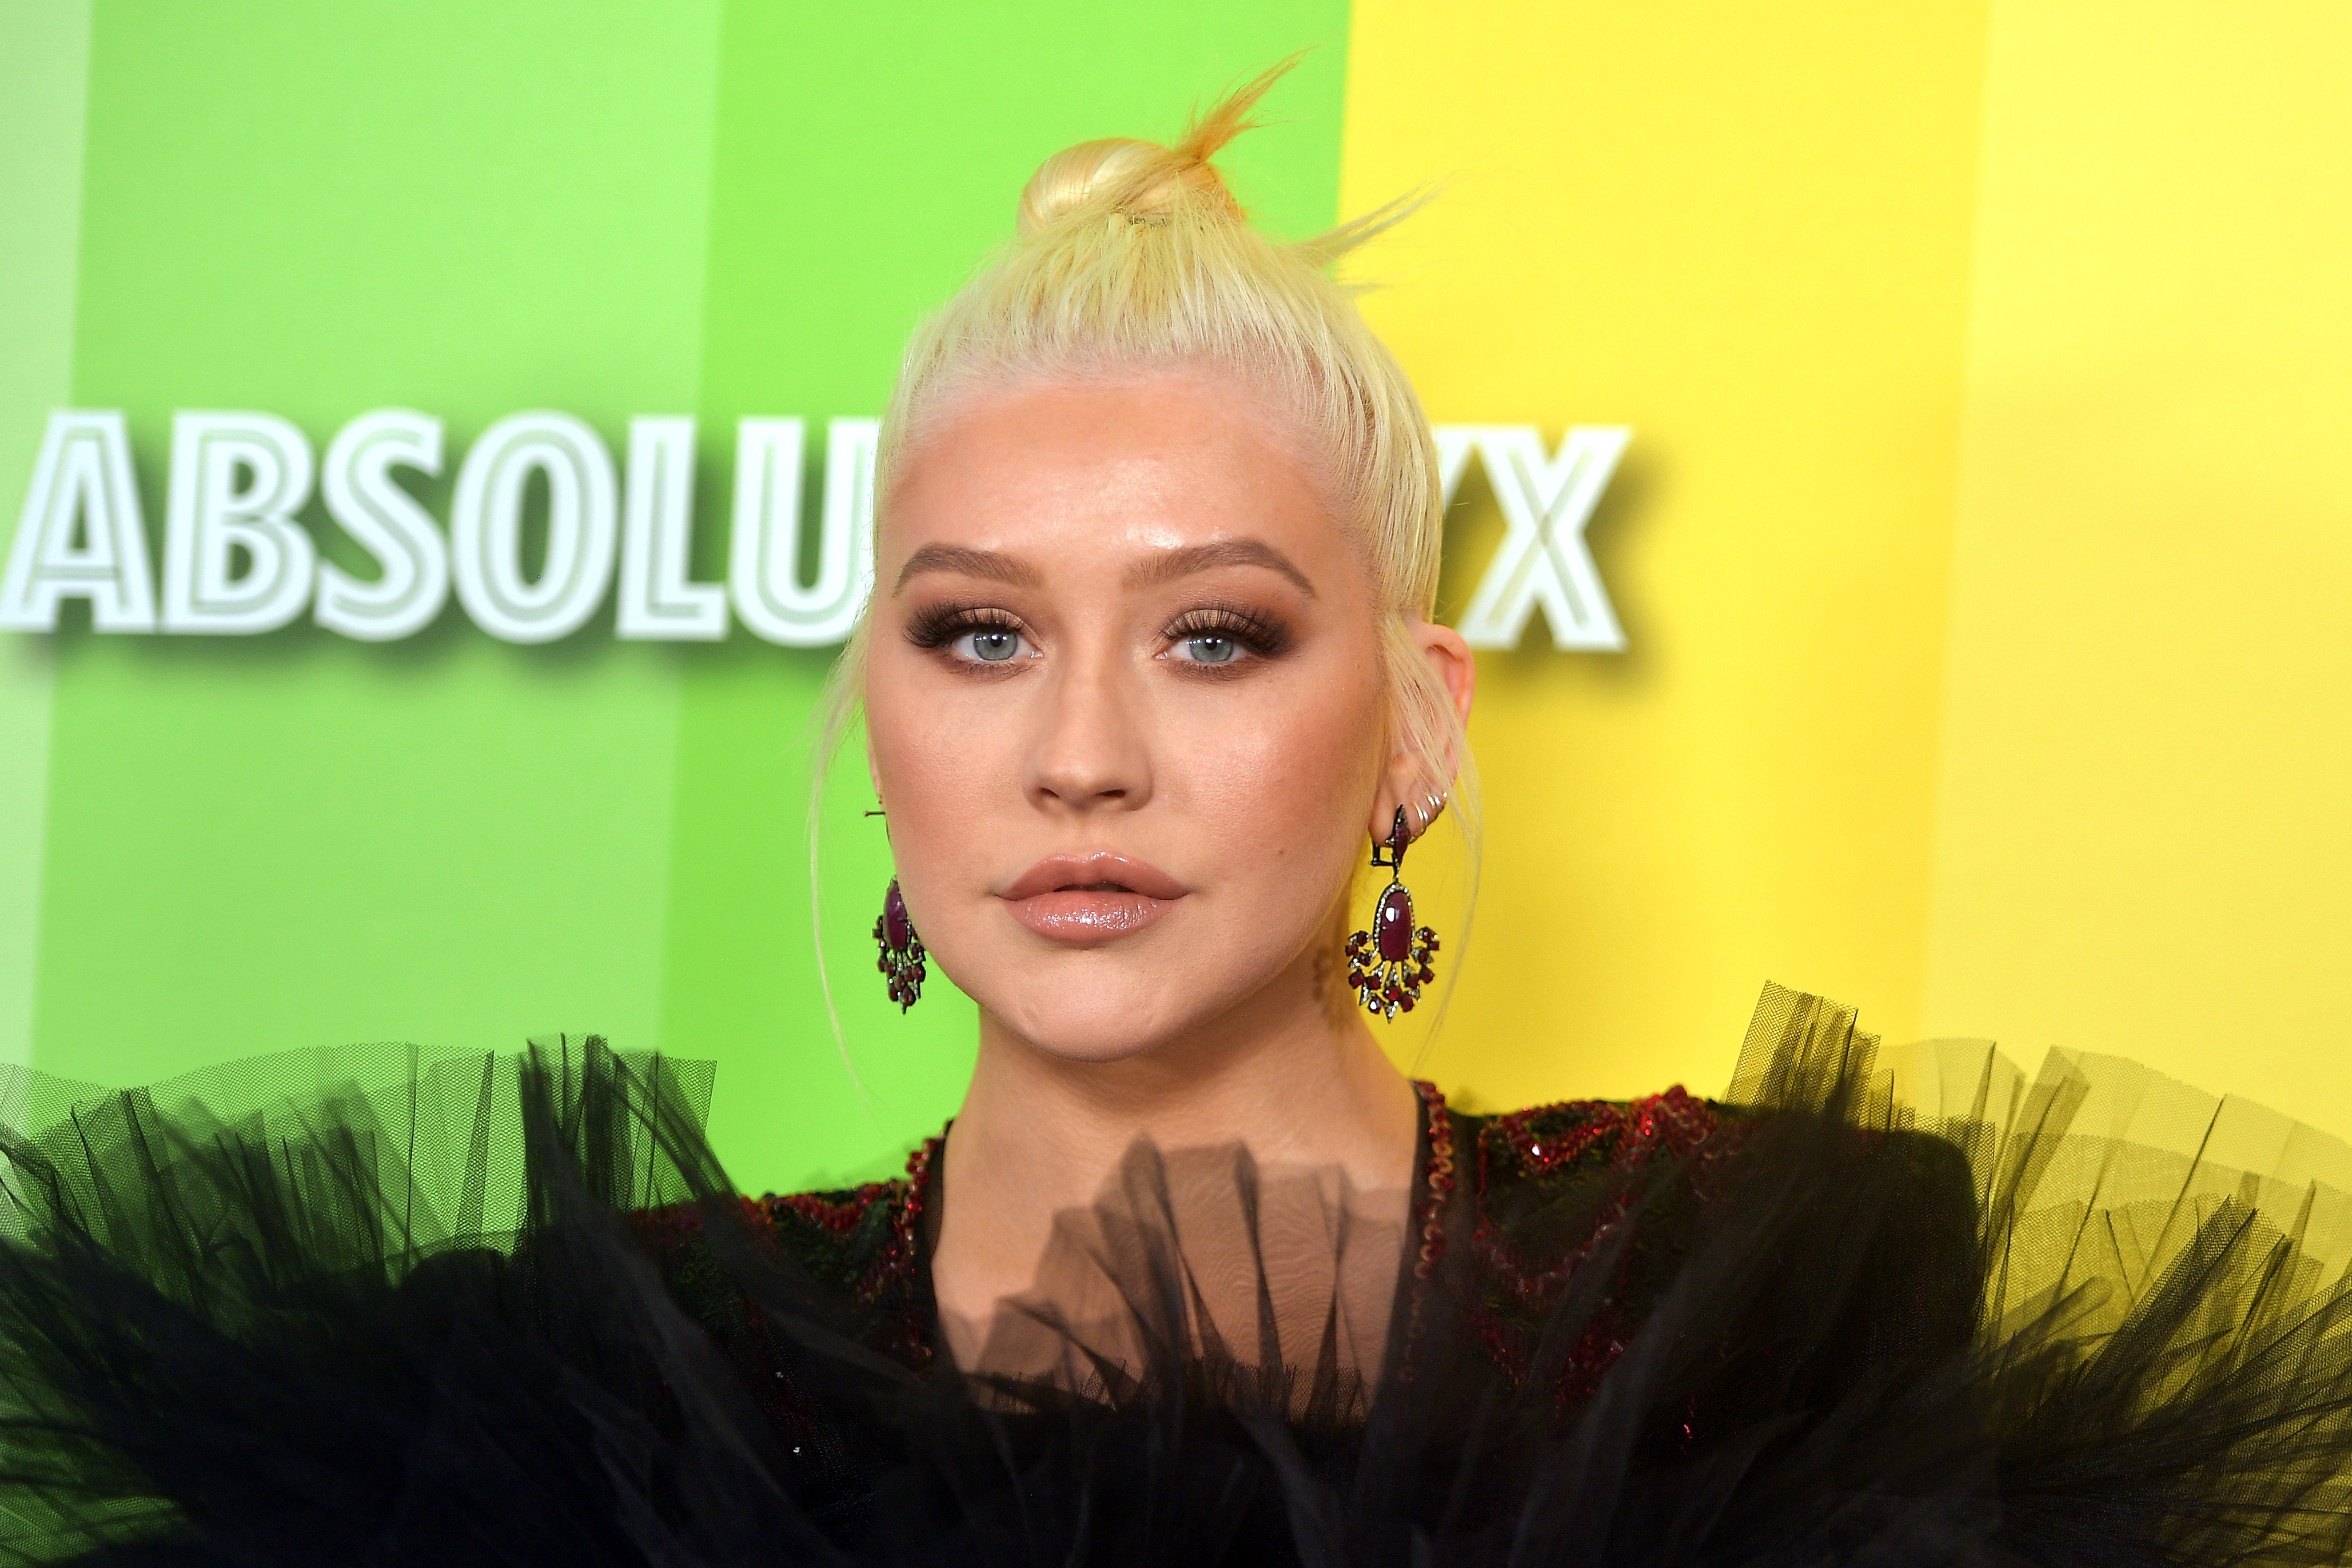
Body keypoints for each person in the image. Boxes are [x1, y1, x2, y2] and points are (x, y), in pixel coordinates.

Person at [2, 66, 2350, 1566]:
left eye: (1215, 634)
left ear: (1417, 722)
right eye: (977, 633)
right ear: (875, 713)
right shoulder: (599, 1372)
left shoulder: (1770, 1278)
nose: (1080, 751)